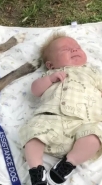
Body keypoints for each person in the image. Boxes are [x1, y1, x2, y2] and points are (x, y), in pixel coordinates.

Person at [19, 32, 102, 185]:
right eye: (66, 49)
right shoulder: (51, 74)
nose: (74, 50)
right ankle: (36, 170)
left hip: (84, 122)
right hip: (52, 119)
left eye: (77, 47)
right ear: (50, 64)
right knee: (32, 132)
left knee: (96, 136)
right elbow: (35, 90)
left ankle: (68, 163)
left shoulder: (92, 72)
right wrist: (49, 79)